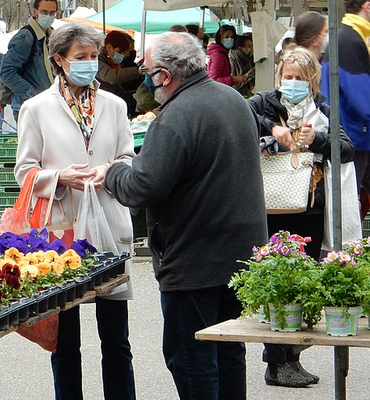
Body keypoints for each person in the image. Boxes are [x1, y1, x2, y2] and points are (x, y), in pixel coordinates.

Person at [105, 32, 267, 400]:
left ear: (164, 74)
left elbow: (144, 186)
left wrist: (113, 172)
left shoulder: (176, 116)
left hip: (195, 259)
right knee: (228, 351)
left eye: (148, 72)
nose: (147, 78)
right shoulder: (234, 100)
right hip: (240, 253)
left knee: (192, 359)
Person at [15, 21, 137, 400]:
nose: (89, 64)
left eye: (92, 57)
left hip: (107, 222)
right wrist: (58, 177)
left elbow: (130, 159)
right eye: (80, 57)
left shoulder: (115, 105)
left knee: (116, 337)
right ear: (59, 60)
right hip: (62, 231)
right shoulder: (36, 109)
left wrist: (111, 169)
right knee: (66, 340)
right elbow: (24, 171)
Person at [249, 46, 355, 388]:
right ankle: (275, 361)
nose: (291, 83)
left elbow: (347, 149)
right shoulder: (262, 103)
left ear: (312, 81)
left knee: (303, 281)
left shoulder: (323, 108)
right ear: (279, 76)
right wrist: (271, 132)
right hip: (271, 206)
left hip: (309, 207)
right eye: (287, 77)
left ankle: (292, 358)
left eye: (299, 78)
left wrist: (318, 139)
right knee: (277, 280)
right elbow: (238, 122)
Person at [321, 0, 370, 218]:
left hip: (351, 136)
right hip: (352, 139)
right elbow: (363, 100)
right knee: (348, 211)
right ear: (367, 6)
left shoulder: (348, 37)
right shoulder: (351, 40)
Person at [0, 0, 57, 122]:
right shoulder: (25, 37)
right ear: (35, 12)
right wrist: (33, 94)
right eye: (44, 12)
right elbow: (6, 72)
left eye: (52, 13)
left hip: (47, 104)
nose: (48, 16)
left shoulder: (51, 37)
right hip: (29, 106)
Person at [96, 30, 140, 116]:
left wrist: (136, 96)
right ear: (109, 47)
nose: (123, 56)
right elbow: (111, 77)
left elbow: (117, 90)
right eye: (120, 52)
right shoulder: (97, 58)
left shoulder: (111, 61)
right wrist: (138, 71)